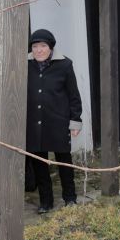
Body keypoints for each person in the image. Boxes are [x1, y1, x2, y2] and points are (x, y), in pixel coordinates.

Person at [26, 29, 83, 214]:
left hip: (58, 121)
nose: (39, 50)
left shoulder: (65, 65)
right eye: (35, 46)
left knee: (64, 162)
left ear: (51, 48)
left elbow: (74, 96)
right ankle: (46, 201)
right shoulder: (25, 65)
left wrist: (75, 121)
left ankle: (70, 197)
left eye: (43, 46)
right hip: (33, 123)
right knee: (39, 165)